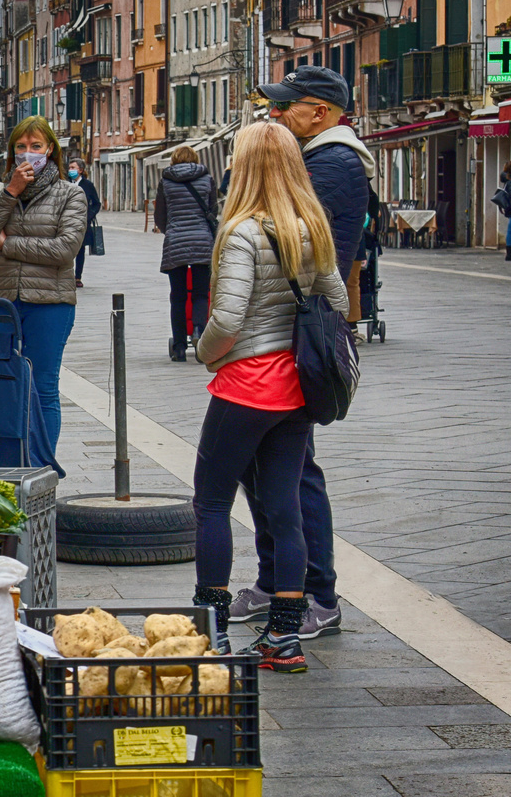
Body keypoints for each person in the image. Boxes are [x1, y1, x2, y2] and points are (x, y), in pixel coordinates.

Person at [191, 122, 348, 673]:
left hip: (247, 385)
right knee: (283, 508)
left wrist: (203, 349)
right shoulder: (313, 226)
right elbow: (339, 299)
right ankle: (285, 635)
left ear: (245, 166)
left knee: (211, 501)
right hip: (297, 388)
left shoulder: (241, 232)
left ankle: (211, 629)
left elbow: (228, 318)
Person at [229, 65, 370, 640]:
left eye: (287, 107)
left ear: (320, 113)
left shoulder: (333, 163)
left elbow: (307, 248)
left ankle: (317, 592)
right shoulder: (317, 157)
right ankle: (275, 579)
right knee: (264, 465)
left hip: (299, 332)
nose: (276, 114)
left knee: (293, 469)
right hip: (281, 329)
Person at [0, 116, 86, 461]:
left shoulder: (70, 195)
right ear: (11, 153)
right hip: (0, 304)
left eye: (36, 147)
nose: (28, 154)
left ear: (50, 151)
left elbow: (65, 250)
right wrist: (10, 193)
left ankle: (39, 467)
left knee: (43, 388)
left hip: (50, 304)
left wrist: (8, 245)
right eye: (21, 147)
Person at [155, 144, 219, 361]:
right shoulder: (207, 179)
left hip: (176, 242)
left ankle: (180, 347)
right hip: (202, 241)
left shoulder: (166, 182)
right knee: (201, 294)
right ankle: (200, 332)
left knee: (178, 297)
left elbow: (160, 215)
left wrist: (170, 231)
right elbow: (213, 211)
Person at [68, 158, 101, 288]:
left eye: (73, 168)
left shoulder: (87, 185)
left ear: (80, 170)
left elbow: (96, 203)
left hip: (82, 223)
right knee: (67, 249)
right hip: (68, 222)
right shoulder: (66, 184)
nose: (70, 170)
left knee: (80, 250)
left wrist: (89, 216)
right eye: (70, 167)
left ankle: (77, 277)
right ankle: (67, 275)